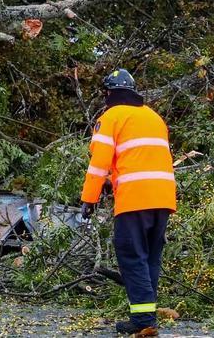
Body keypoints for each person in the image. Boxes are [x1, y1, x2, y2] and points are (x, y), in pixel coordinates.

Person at [80, 69, 176, 336]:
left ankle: (144, 320)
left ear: (109, 94)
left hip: (135, 199)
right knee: (149, 257)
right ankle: (145, 315)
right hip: (163, 197)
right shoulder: (153, 117)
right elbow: (142, 157)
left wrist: (89, 199)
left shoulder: (111, 117)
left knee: (132, 255)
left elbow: (99, 163)